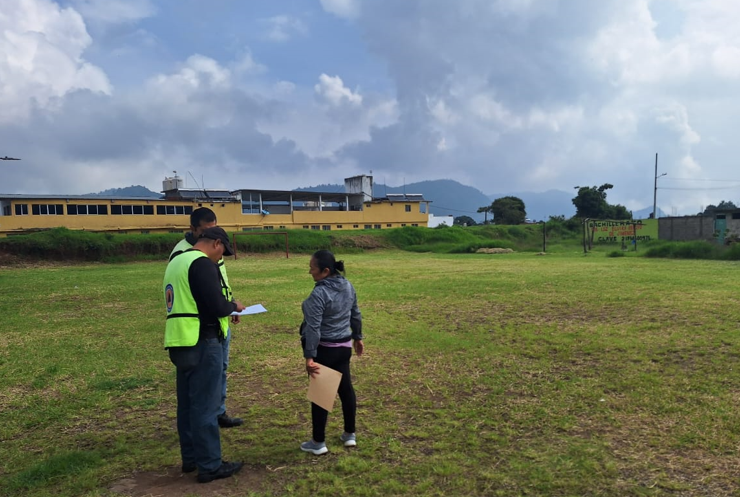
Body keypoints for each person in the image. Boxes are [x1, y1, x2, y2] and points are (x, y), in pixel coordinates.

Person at [164, 227, 246, 483]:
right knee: (206, 407)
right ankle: (210, 465)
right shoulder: (201, 264)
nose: (221, 258)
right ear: (217, 243)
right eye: (223, 252)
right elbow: (217, 305)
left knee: (187, 405)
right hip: (203, 340)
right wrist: (235, 306)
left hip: (180, 341)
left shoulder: (177, 261)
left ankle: (191, 459)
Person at [170, 207, 242, 429]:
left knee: (220, 369)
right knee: (202, 386)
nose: (212, 235)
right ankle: (207, 423)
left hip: (219, 322)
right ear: (193, 229)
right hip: (199, 330)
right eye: (205, 231)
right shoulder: (185, 254)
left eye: (215, 230)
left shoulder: (210, 248)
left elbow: (219, 282)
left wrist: (229, 305)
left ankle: (217, 412)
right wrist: (222, 306)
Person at [299, 250, 364, 455]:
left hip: (324, 351)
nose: (310, 272)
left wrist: (309, 356)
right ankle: (349, 434)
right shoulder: (348, 285)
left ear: (325, 271)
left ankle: (318, 443)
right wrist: (358, 337)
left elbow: (313, 328)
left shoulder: (319, 294)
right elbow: (356, 313)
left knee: (321, 396)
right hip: (344, 348)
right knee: (346, 390)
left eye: (312, 268)